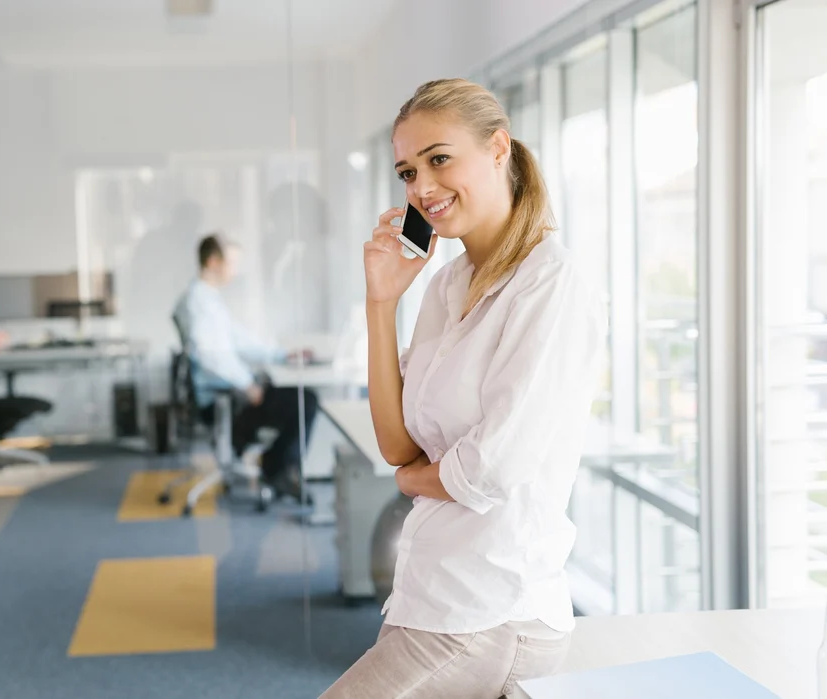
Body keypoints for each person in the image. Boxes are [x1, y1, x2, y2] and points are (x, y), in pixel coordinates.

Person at [321, 79, 607, 698]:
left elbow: (489, 471)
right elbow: (398, 443)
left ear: (498, 148)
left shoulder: (550, 285)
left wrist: (412, 481)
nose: (421, 187)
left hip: (494, 609)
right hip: (431, 596)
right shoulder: (448, 284)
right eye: (406, 171)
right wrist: (381, 302)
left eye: (439, 159)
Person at [173, 233, 318, 502]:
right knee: (304, 401)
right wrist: (246, 383)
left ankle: (274, 465)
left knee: (292, 395)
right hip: (224, 400)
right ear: (214, 261)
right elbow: (210, 356)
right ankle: (277, 469)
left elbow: (239, 340)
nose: (236, 270)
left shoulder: (207, 299)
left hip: (228, 394)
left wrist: (281, 354)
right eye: (233, 263)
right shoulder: (199, 303)